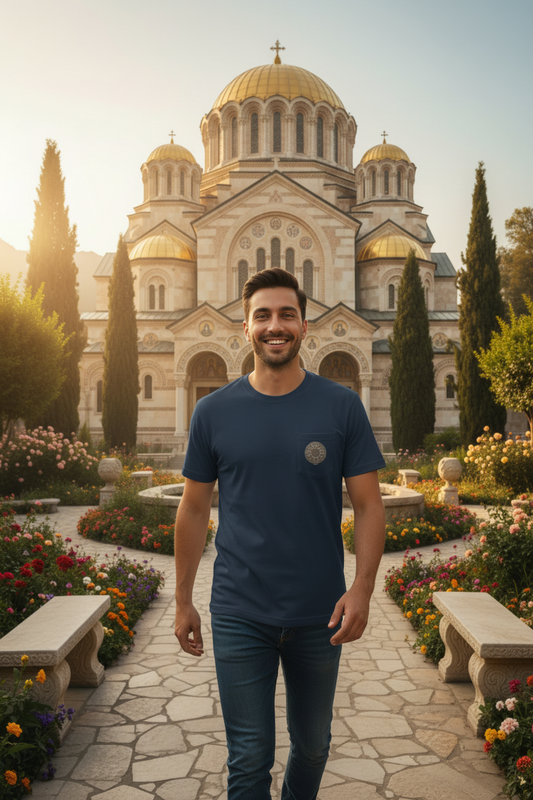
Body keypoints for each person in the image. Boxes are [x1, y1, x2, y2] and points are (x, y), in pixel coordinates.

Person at [174, 268, 386, 800]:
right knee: (249, 757)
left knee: (313, 746)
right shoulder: (212, 411)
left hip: (320, 613)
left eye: (287, 314)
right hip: (240, 610)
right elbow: (194, 509)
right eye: (263, 315)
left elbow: (368, 504)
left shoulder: (340, 406)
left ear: (304, 325)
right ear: (245, 327)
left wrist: (362, 588)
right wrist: (182, 600)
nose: (275, 326)